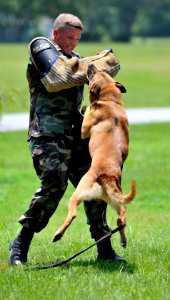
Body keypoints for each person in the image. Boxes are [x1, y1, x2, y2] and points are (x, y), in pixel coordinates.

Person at [9, 13, 126, 266]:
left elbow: (112, 66)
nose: (74, 43)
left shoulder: (73, 60)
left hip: (77, 136)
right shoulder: (40, 47)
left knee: (97, 186)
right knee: (54, 185)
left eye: (77, 39)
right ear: (56, 33)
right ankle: (20, 244)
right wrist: (91, 67)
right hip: (47, 135)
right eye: (70, 37)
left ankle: (104, 249)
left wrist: (84, 66)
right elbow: (56, 79)